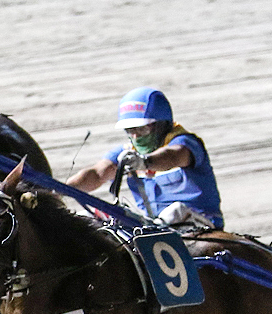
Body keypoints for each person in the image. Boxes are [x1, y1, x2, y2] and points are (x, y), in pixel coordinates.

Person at [67, 87, 224, 230]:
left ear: (162, 124)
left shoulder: (185, 143)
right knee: (86, 218)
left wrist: (144, 162)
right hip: (150, 224)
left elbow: (173, 156)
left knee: (175, 211)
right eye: (130, 130)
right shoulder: (128, 152)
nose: (135, 136)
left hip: (200, 222)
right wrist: (61, 189)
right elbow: (97, 173)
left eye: (142, 129)